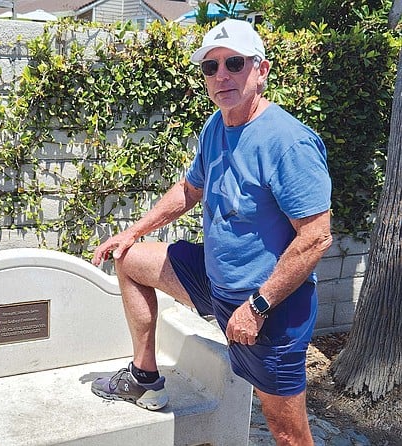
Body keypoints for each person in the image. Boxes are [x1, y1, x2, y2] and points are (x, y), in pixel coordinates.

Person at [90, 19, 332, 446]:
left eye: (234, 63)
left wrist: (256, 306)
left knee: (289, 435)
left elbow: (316, 236)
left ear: (262, 70)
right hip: (214, 282)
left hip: (269, 311)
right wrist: (131, 232)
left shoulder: (288, 142)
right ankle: (145, 378)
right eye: (210, 67)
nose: (221, 76)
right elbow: (190, 188)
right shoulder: (216, 125)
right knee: (131, 260)